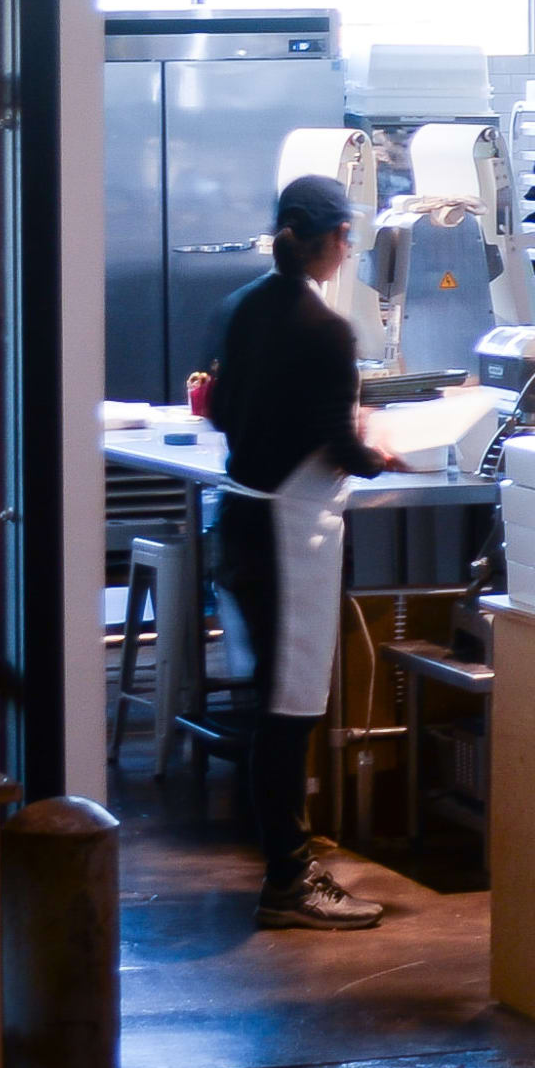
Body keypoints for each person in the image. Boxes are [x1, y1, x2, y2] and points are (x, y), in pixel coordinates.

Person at [194, 175, 402, 932]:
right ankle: (287, 877)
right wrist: (384, 447)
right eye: (347, 236)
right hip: (290, 533)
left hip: (243, 520)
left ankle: (287, 850)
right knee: (290, 710)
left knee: (271, 706)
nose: (349, 248)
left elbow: (217, 406)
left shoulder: (240, 307)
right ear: (330, 241)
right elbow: (344, 448)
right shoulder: (323, 331)